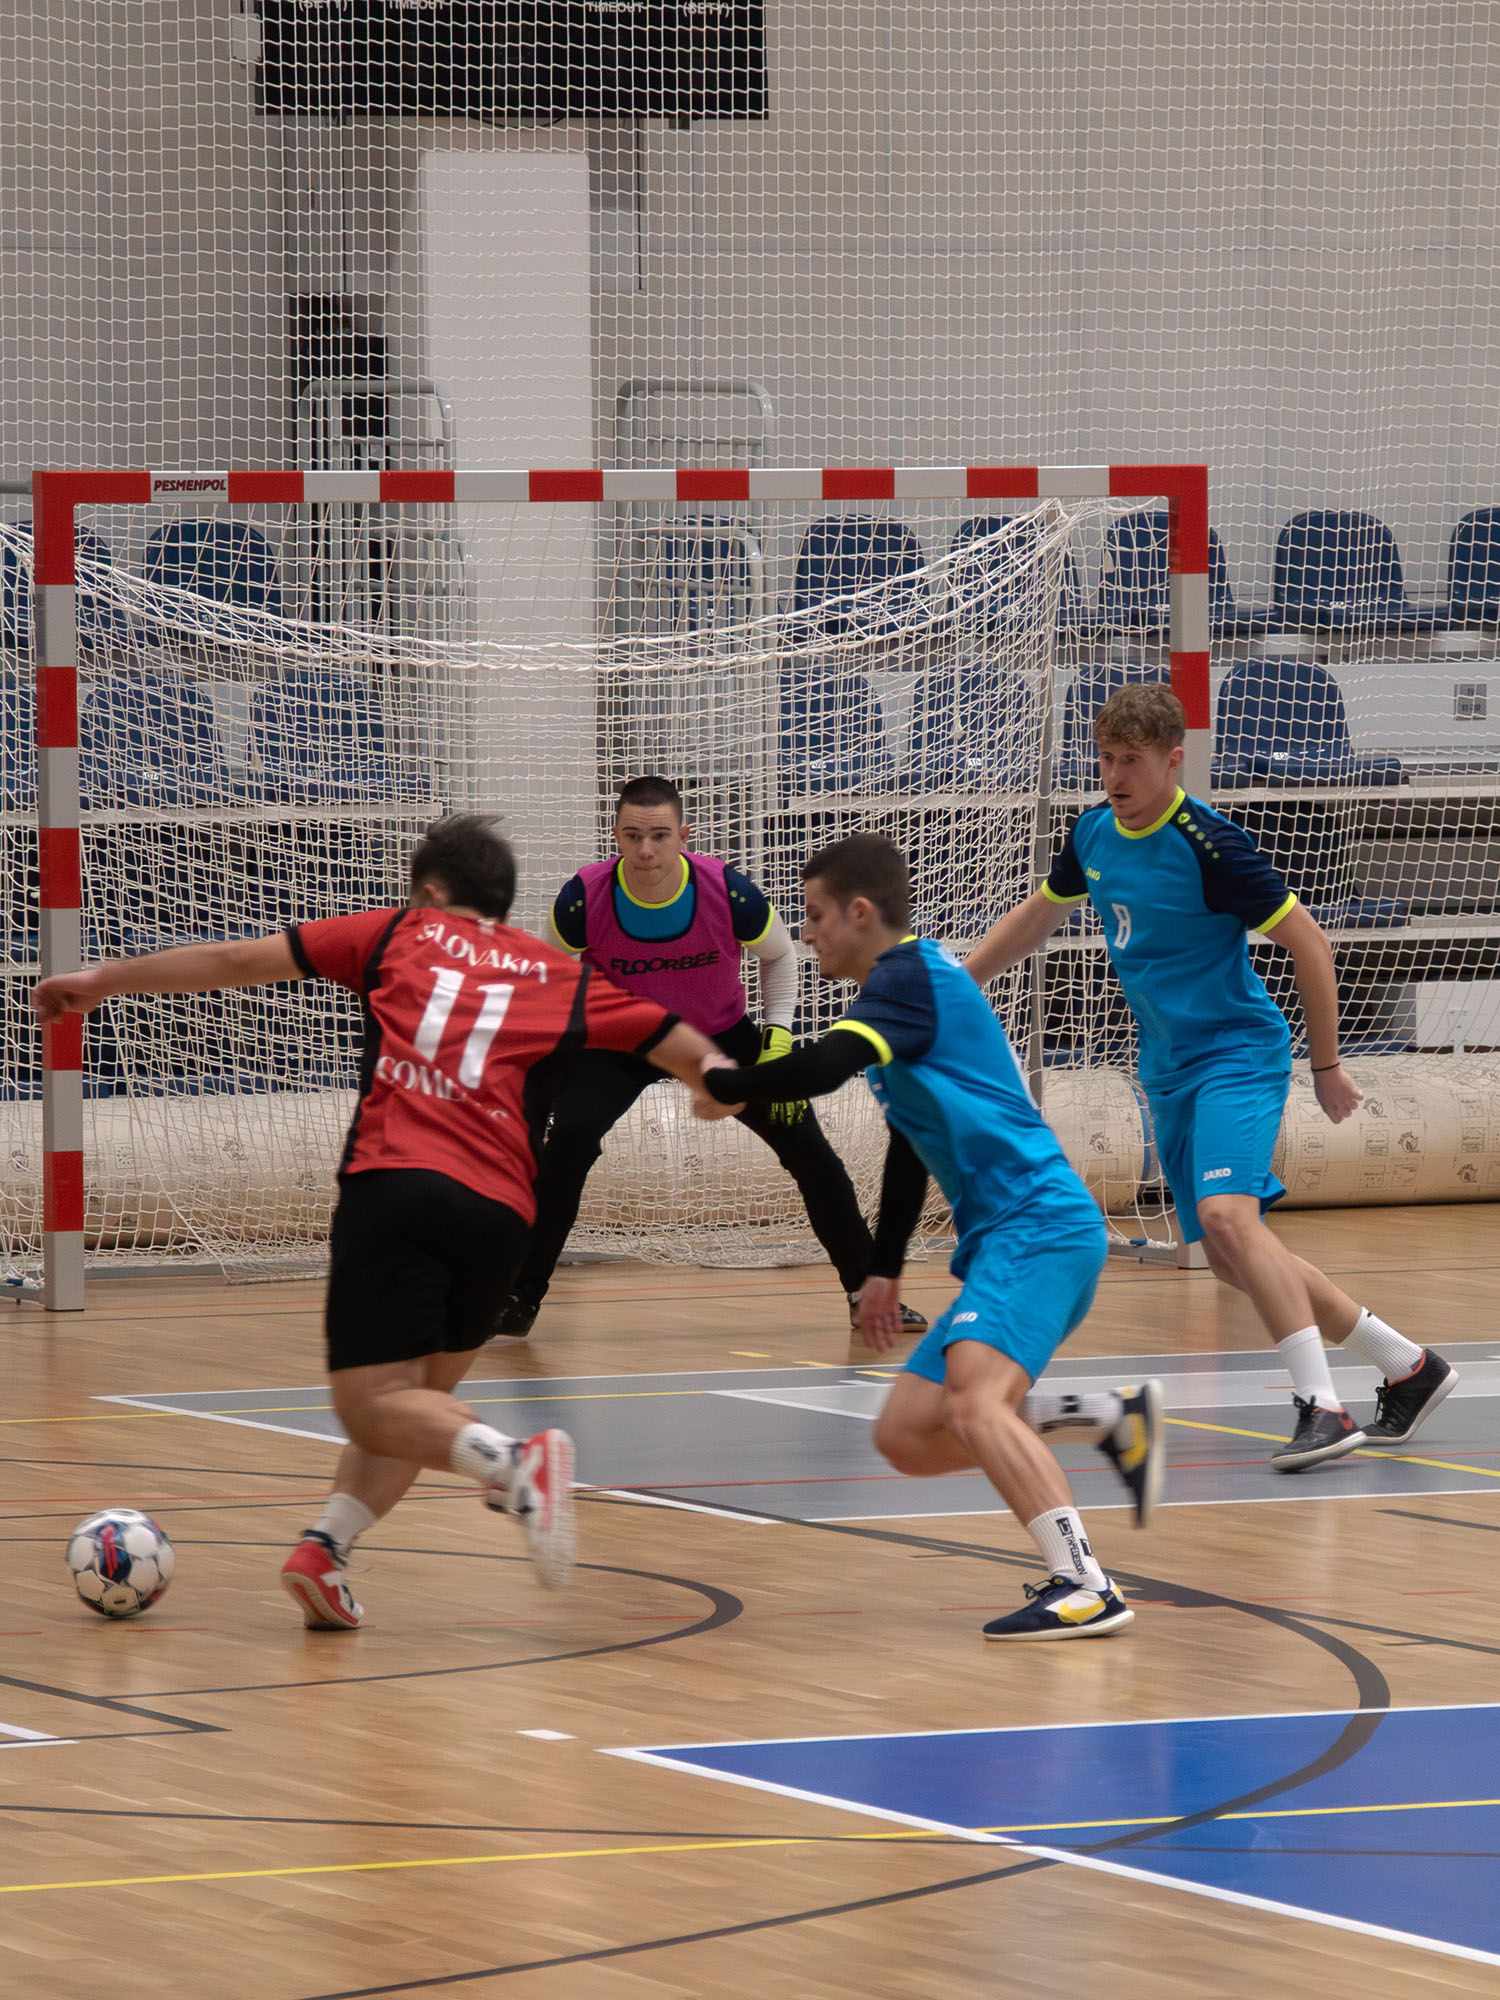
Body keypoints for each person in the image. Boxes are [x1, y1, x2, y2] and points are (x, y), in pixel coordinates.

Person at [31, 814, 722, 1631]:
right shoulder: (551, 970)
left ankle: (516, 1463)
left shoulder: (398, 931)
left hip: (399, 1184)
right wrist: (714, 1080)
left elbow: (233, 960)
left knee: (371, 1407)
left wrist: (103, 980)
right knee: (416, 1403)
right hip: (504, 1214)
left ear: (429, 891)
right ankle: (326, 1549)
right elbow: (673, 1036)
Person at [965, 683, 1457, 1470]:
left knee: (1229, 1218)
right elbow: (1040, 915)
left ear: (1173, 761)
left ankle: (1322, 1407)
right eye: (1105, 758)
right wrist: (964, 982)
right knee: (1231, 1255)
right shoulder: (1092, 833)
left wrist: (1326, 1065)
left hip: (1237, 1054)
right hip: (1167, 1070)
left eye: (1132, 760)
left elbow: (1311, 944)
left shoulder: (1211, 845)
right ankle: (1410, 1366)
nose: (1115, 776)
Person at [696, 831, 1163, 1642]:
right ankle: (1102, 1416)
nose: (805, 933)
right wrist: (883, 1270)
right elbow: (910, 1147)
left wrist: (727, 1082)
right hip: (1013, 1237)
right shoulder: (903, 990)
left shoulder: (907, 979)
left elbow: (821, 1069)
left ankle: (1086, 1583)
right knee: (908, 1436)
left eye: (814, 915)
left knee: (975, 1405)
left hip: (1040, 1225)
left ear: (860, 912)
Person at [490, 775, 927, 1340]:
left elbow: (780, 957)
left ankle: (863, 1291)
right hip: (622, 1045)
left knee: (810, 1151)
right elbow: (548, 983)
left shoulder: (729, 891)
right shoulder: (581, 898)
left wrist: (776, 1038)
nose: (646, 850)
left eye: (659, 835)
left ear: (684, 836)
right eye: (633, 835)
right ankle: (519, 1298)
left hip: (721, 1038)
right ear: (616, 836)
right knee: (568, 1141)